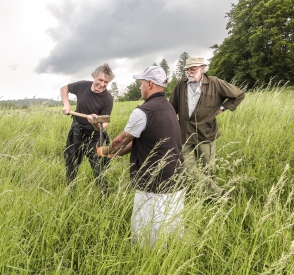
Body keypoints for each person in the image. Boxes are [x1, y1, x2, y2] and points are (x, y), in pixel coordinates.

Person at [97, 66, 185, 248]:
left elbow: (120, 141)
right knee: (170, 223)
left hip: (153, 180)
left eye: (141, 83)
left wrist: (105, 151)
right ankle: (169, 253)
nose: (140, 87)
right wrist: (118, 153)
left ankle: (146, 255)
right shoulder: (169, 108)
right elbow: (142, 141)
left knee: (147, 225)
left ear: (150, 84)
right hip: (175, 175)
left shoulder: (143, 111)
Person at [169, 56, 245, 197]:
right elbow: (172, 106)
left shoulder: (215, 83)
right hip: (184, 134)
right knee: (187, 168)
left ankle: (208, 198)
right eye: (187, 69)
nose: (189, 72)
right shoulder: (181, 84)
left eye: (193, 69)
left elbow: (238, 95)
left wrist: (222, 108)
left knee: (208, 170)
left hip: (206, 134)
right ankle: (220, 194)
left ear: (202, 69)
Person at [61, 63, 114, 193]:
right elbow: (64, 88)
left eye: (106, 82)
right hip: (77, 130)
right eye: (100, 80)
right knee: (72, 162)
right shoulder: (82, 86)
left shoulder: (107, 99)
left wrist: (95, 122)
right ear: (94, 76)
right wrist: (67, 105)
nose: (102, 84)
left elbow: (103, 127)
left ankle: (104, 195)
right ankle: (71, 191)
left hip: (94, 135)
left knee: (98, 167)